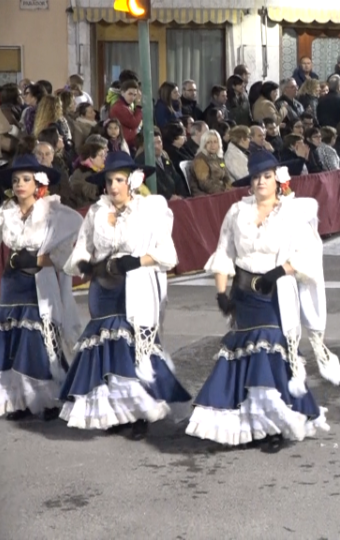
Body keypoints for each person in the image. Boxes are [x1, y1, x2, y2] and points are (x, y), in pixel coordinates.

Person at [186, 152, 340, 452]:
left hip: (275, 295)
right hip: (244, 295)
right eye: (256, 177)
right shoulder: (236, 212)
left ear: (276, 179)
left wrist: (281, 270)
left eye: (266, 177)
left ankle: (274, 425)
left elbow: (309, 254)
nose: (261, 182)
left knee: (268, 354)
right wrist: (222, 293)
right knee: (244, 354)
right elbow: (224, 254)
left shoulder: (292, 214)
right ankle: (254, 425)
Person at [58, 152, 191, 439]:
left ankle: (139, 413)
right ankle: (117, 413)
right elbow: (82, 249)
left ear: (131, 181)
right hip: (102, 290)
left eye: (119, 179)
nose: (114, 186)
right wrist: (87, 264)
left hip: (136, 289)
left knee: (131, 350)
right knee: (107, 351)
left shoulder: (150, 210)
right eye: (109, 180)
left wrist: (136, 261)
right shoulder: (96, 212)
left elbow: (168, 255)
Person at [0, 155, 83, 420]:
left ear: (38, 184)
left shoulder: (52, 213)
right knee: (12, 342)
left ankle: (48, 399)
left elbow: (65, 253)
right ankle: (19, 400)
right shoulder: (5, 214)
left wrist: (34, 259)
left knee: (37, 342)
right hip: (11, 285)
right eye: (15, 180)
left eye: (25, 179)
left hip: (39, 284)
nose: (20, 184)